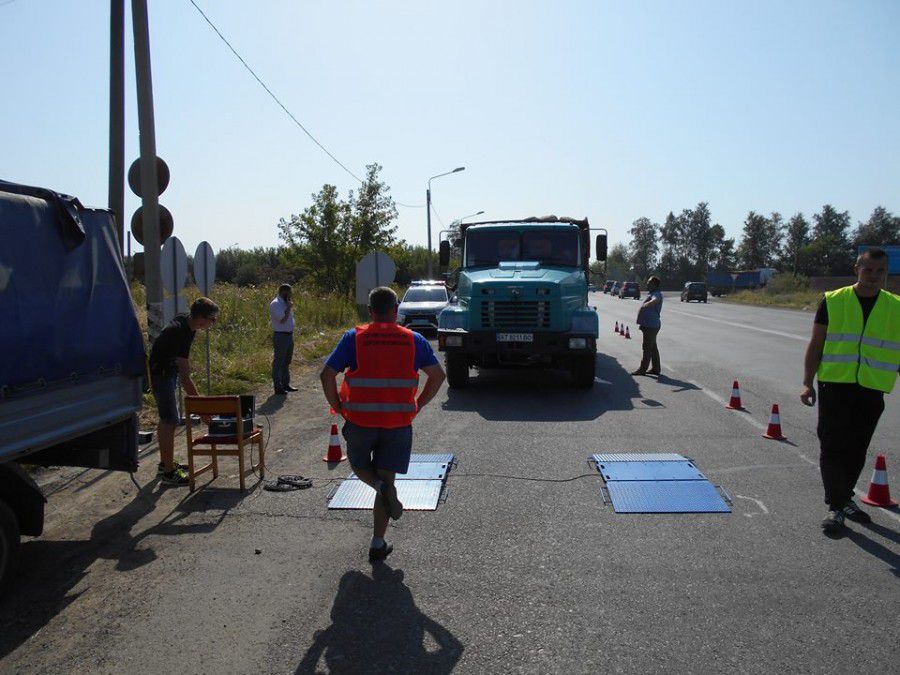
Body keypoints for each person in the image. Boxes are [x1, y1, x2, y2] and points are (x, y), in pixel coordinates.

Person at [320, 287, 446, 562]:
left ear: (370, 311)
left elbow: (326, 374)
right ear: (396, 310)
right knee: (389, 479)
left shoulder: (354, 338)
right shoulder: (414, 340)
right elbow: (438, 376)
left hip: (360, 421)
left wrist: (340, 407)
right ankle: (378, 543)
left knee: (358, 466)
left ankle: (377, 486)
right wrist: (419, 404)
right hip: (398, 423)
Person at [800, 248, 899, 535]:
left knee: (856, 450)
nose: (873, 276)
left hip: (871, 389)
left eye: (880, 271)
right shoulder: (834, 300)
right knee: (832, 446)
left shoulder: (895, 306)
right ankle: (837, 506)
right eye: (868, 270)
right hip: (835, 385)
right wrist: (807, 381)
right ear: (857, 269)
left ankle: (843, 501)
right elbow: (816, 344)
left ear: (886, 274)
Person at [148, 297, 219, 485]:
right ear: (201, 318)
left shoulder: (189, 324)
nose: (214, 322)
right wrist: (202, 410)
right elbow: (186, 378)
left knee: (168, 418)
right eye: (213, 318)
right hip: (161, 374)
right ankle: (169, 473)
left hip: (167, 371)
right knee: (169, 419)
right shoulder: (179, 332)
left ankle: (165, 464)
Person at [632, 276, 663, 376]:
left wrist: (648, 303)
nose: (647, 284)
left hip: (651, 326)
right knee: (652, 347)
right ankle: (656, 368)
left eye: (649, 282)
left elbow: (656, 300)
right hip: (649, 325)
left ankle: (642, 369)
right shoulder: (652, 293)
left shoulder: (656, 294)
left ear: (654, 284)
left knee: (647, 348)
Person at [270, 283, 297, 394]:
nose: (290, 295)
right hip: (281, 335)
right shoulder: (276, 304)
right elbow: (282, 319)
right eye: (289, 292)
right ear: (283, 292)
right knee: (279, 362)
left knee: (286, 361)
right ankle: (278, 386)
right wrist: (289, 307)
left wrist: (288, 306)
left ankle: (286, 384)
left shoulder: (285, 303)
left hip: (289, 335)